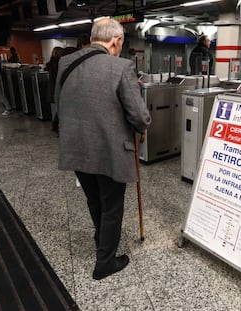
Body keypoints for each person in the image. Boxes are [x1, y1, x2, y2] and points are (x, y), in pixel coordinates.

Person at [54, 18, 151, 280]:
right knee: (112, 205)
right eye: (120, 44)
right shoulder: (121, 67)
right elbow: (138, 116)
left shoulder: (66, 63)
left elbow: (59, 102)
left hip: (75, 147)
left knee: (94, 199)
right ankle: (105, 261)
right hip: (109, 150)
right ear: (116, 41)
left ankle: (101, 240)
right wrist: (143, 126)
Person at [45, 47, 64, 132]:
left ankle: (55, 127)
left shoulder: (50, 64)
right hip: (58, 89)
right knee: (60, 111)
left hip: (51, 90)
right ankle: (58, 128)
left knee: (55, 110)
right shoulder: (59, 64)